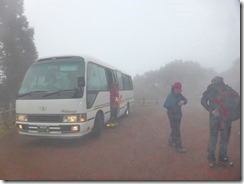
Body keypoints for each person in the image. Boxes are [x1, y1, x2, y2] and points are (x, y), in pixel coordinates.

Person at [201, 76, 234, 168]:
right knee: (222, 138)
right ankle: (221, 158)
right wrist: (212, 110)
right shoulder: (226, 88)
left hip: (219, 117)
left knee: (215, 137)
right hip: (223, 117)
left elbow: (203, 101)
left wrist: (211, 110)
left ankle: (213, 159)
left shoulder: (214, 88)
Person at [163, 82, 187, 153]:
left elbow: (186, 100)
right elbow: (166, 105)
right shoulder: (170, 95)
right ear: (174, 88)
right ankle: (178, 147)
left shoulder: (179, 94)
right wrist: (176, 105)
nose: (178, 91)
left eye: (179, 89)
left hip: (178, 115)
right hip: (172, 115)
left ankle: (171, 140)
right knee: (176, 130)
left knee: (175, 128)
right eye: (177, 89)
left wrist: (183, 101)